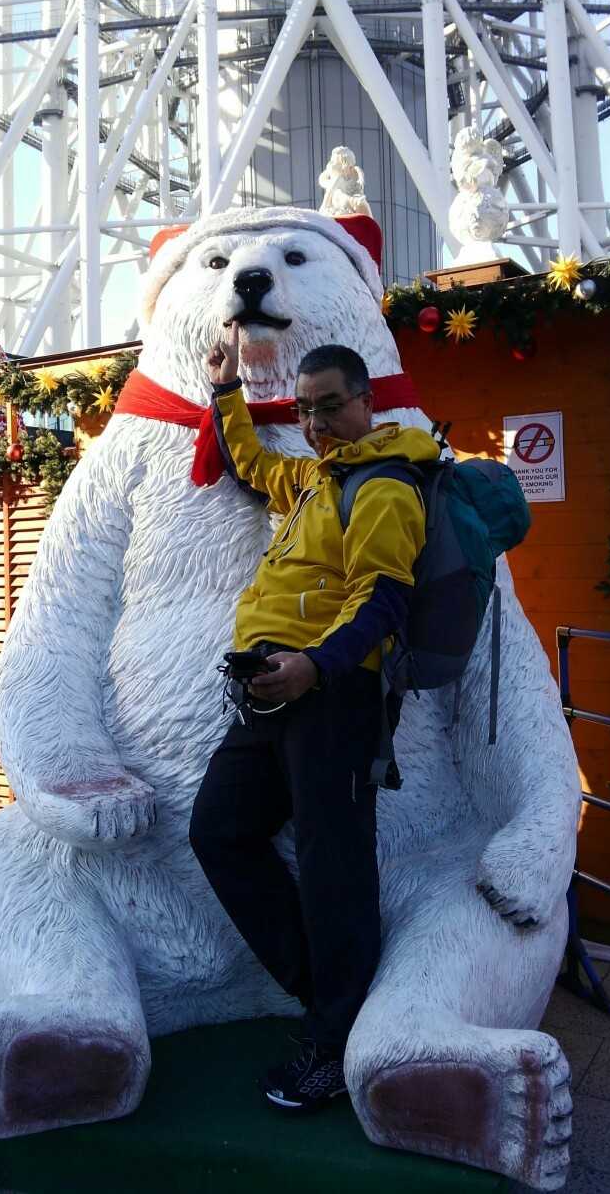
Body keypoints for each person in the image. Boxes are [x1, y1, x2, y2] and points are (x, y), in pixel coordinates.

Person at [189, 326, 440, 1111]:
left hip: (335, 696)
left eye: (330, 406)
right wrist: (226, 389)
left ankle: (334, 1047)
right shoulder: (312, 478)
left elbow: (384, 601)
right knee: (219, 829)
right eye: (304, 409)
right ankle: (329, 996)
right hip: (270, 689)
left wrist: (314, 666)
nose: (315, 422)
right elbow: (252, 463)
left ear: (366, 403)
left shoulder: (386, 487)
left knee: (336, 870)